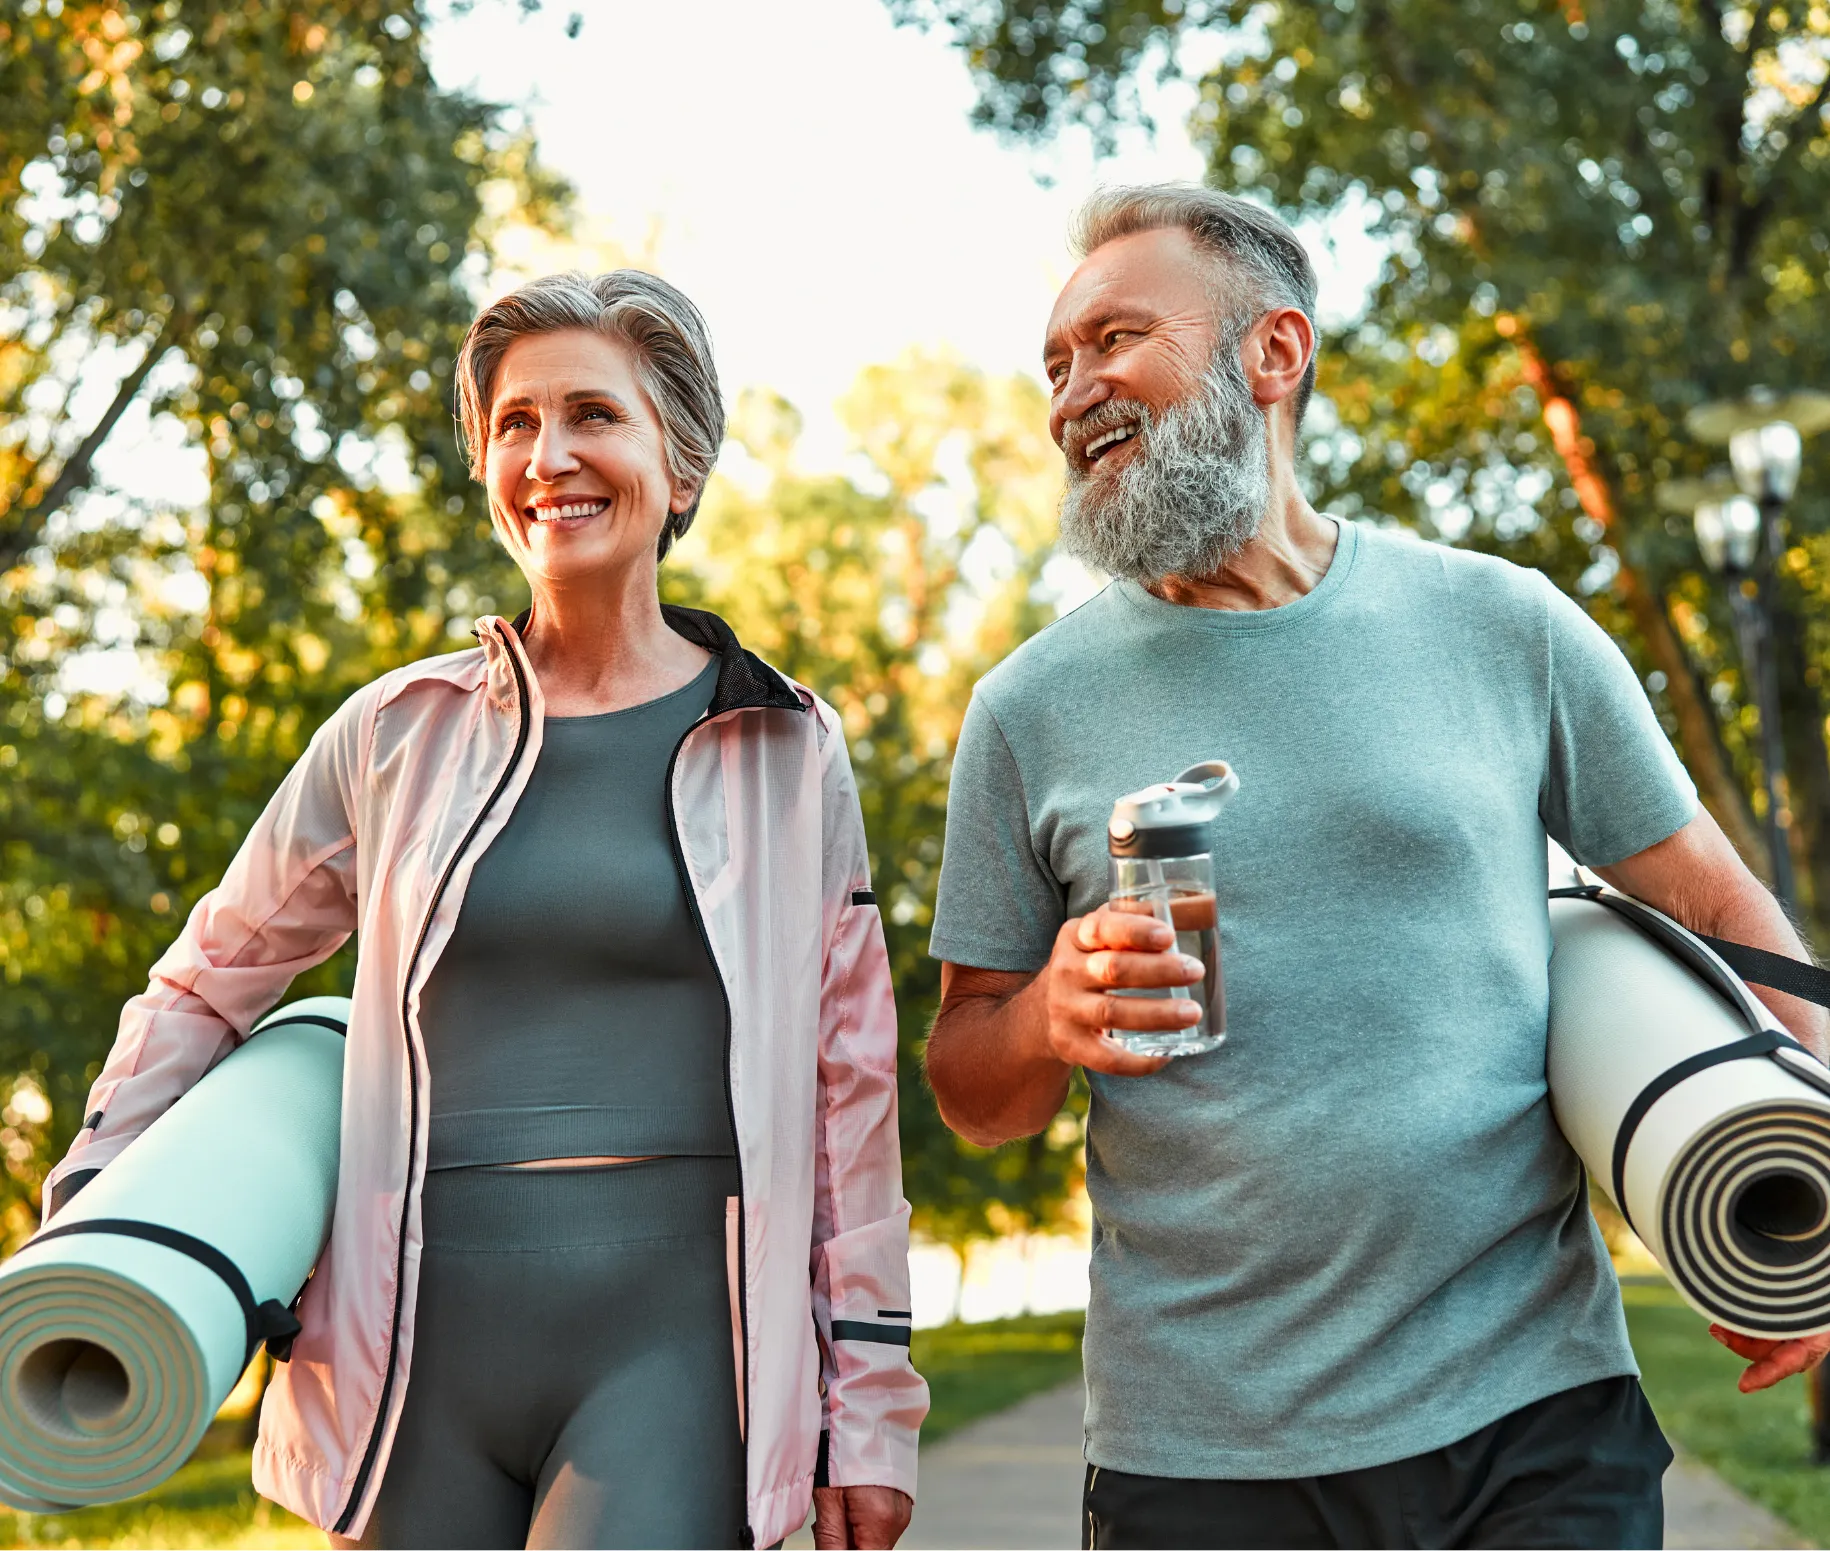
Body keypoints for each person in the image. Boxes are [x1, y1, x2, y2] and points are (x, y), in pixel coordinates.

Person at [924, 184, 1830, 1551]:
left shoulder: (1504, 624)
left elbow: (1719, 909)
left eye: (1113, 339)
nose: (1072, 394)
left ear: (1274, 352)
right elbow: (970, 1085)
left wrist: (1808, 1177)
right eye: (1053, 366)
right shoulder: (1026, 710)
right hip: (1204, 1449)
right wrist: (1048, 1010)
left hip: (1534, 1412)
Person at [42, 270, 926, 1550]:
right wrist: (92, 1211)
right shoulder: (393, 733)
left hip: (678, 1356)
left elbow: (851, 1093)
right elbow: (207, 978)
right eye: (515, 423)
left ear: (682, 463)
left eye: (593, 415)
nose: (547, 456)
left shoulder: (785, 745)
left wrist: (871, 1405)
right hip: (411, 1365)